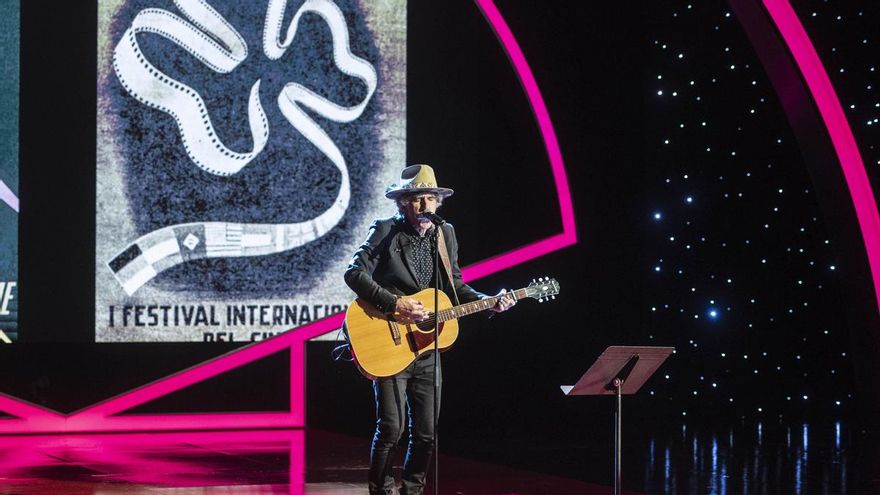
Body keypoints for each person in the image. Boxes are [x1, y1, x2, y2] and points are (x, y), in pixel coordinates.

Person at [344, 164, 515, 495]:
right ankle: (380, 490)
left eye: (431, 199)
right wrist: (395, 304)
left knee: (426, 433)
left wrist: (488, 300)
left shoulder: (444, 233)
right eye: (418, 199)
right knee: (391, 427)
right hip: (389, 337)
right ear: (403, 203)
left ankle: (413, 490)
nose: (425, 207)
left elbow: (456, 286)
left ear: (438, 203)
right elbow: (354, 273)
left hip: (426, 348)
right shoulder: (384, 230)